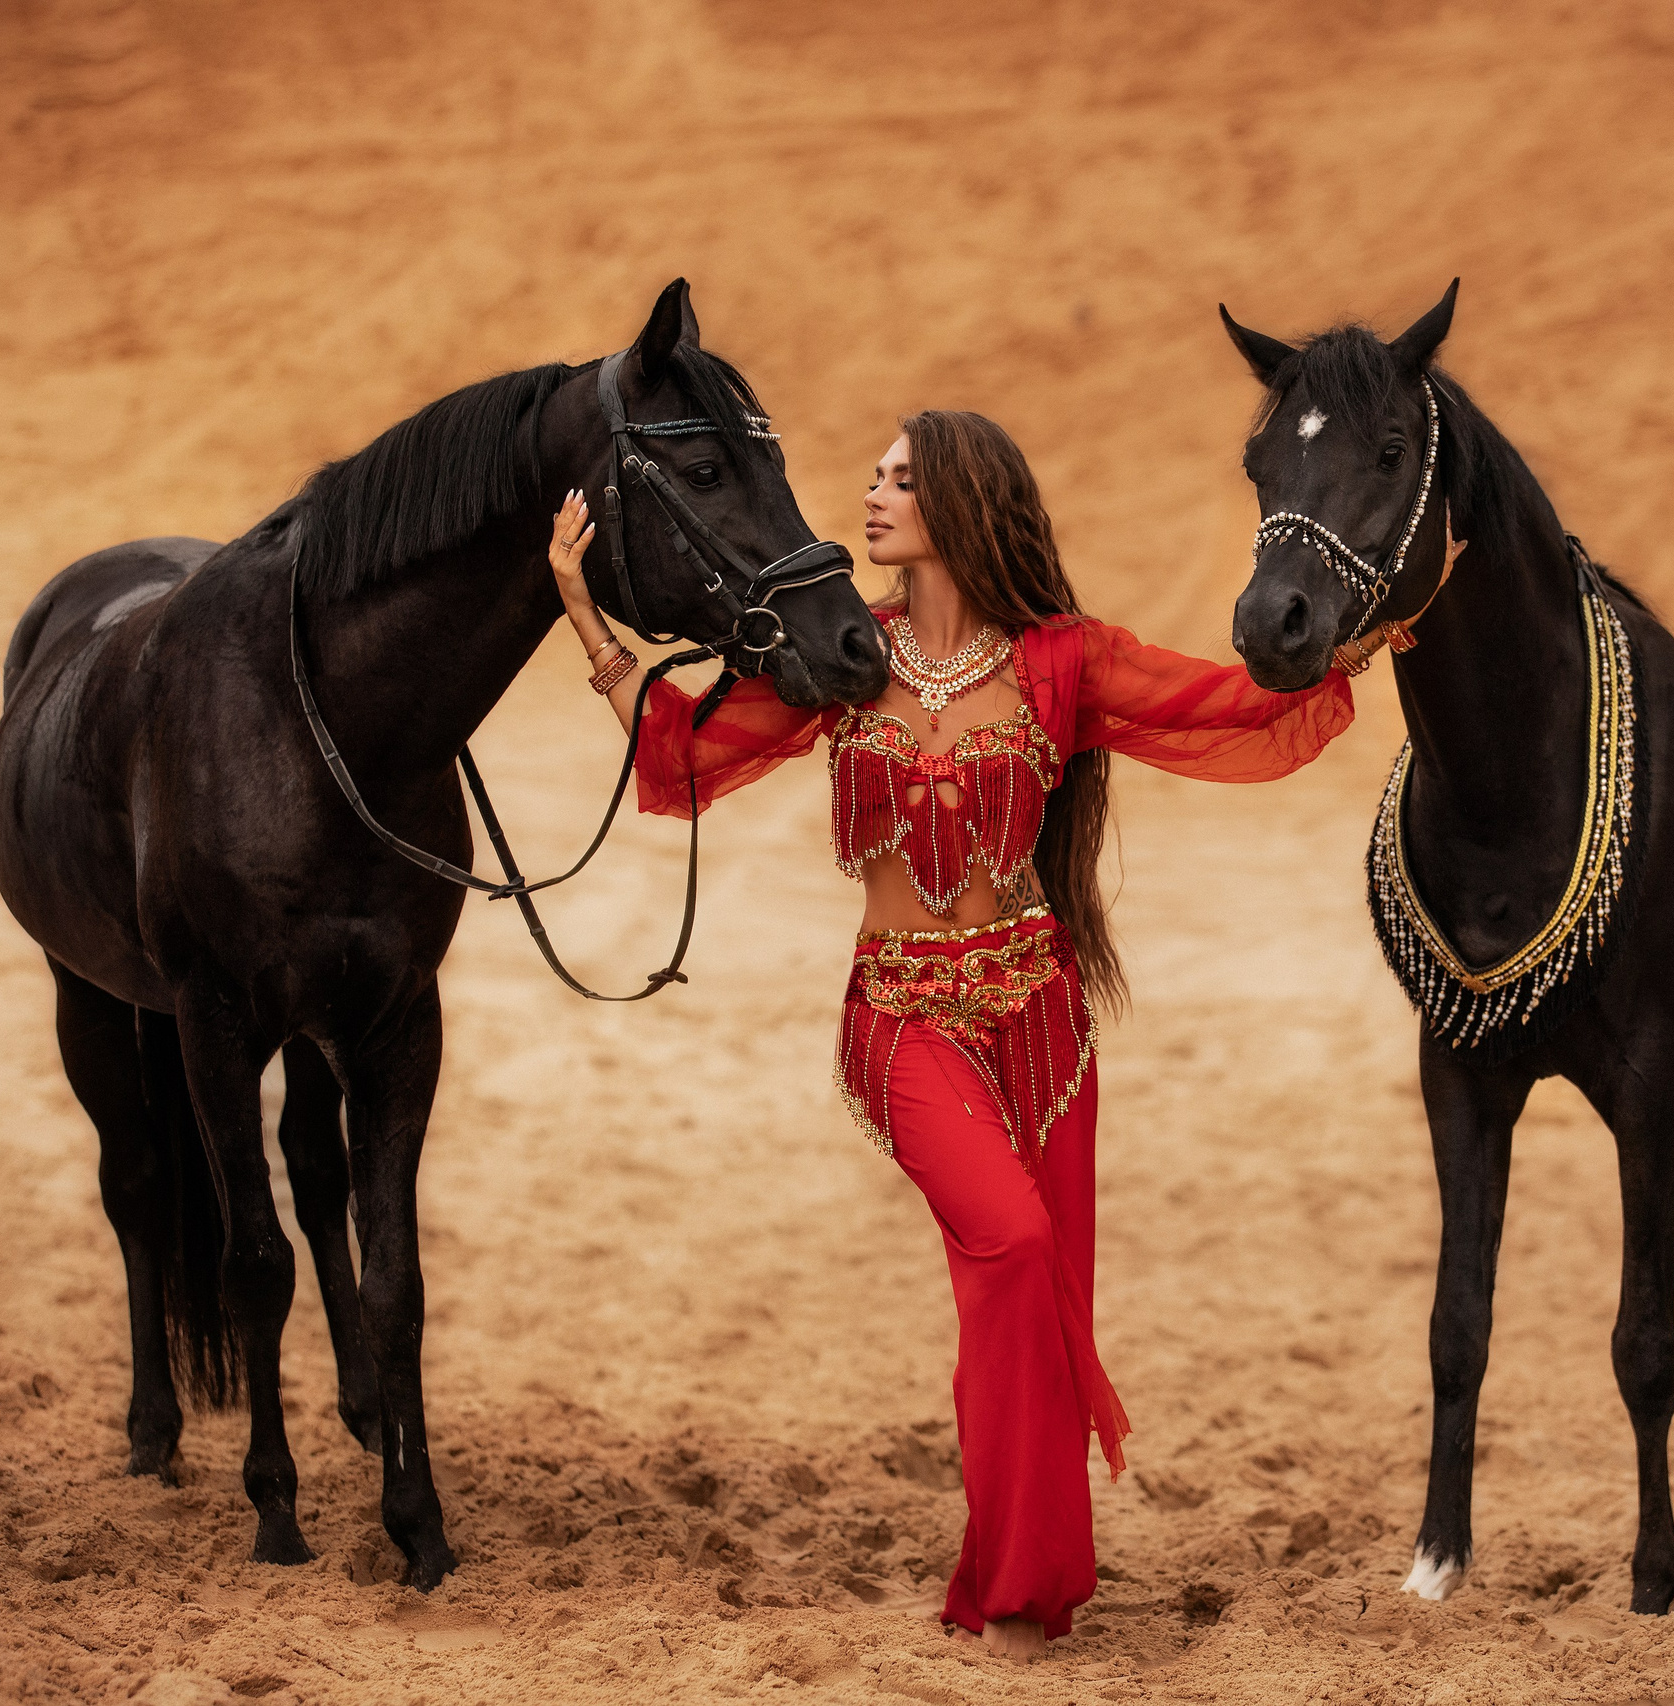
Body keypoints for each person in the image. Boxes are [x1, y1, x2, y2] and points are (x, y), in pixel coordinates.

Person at [546, 410, 1356, 1659]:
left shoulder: (1060, 660)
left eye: (900, 479)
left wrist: (1360, 634)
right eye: (870, 475)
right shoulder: (838, 655)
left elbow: (1236, 706)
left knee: (1030, 1294)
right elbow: (681, 760)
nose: (870, 495)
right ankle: (1025, 1577)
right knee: (1011, 1237)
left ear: (963, 503)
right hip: (902, 1017)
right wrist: (582, 612)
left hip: (1039, 1022)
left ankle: (1011, 1579)